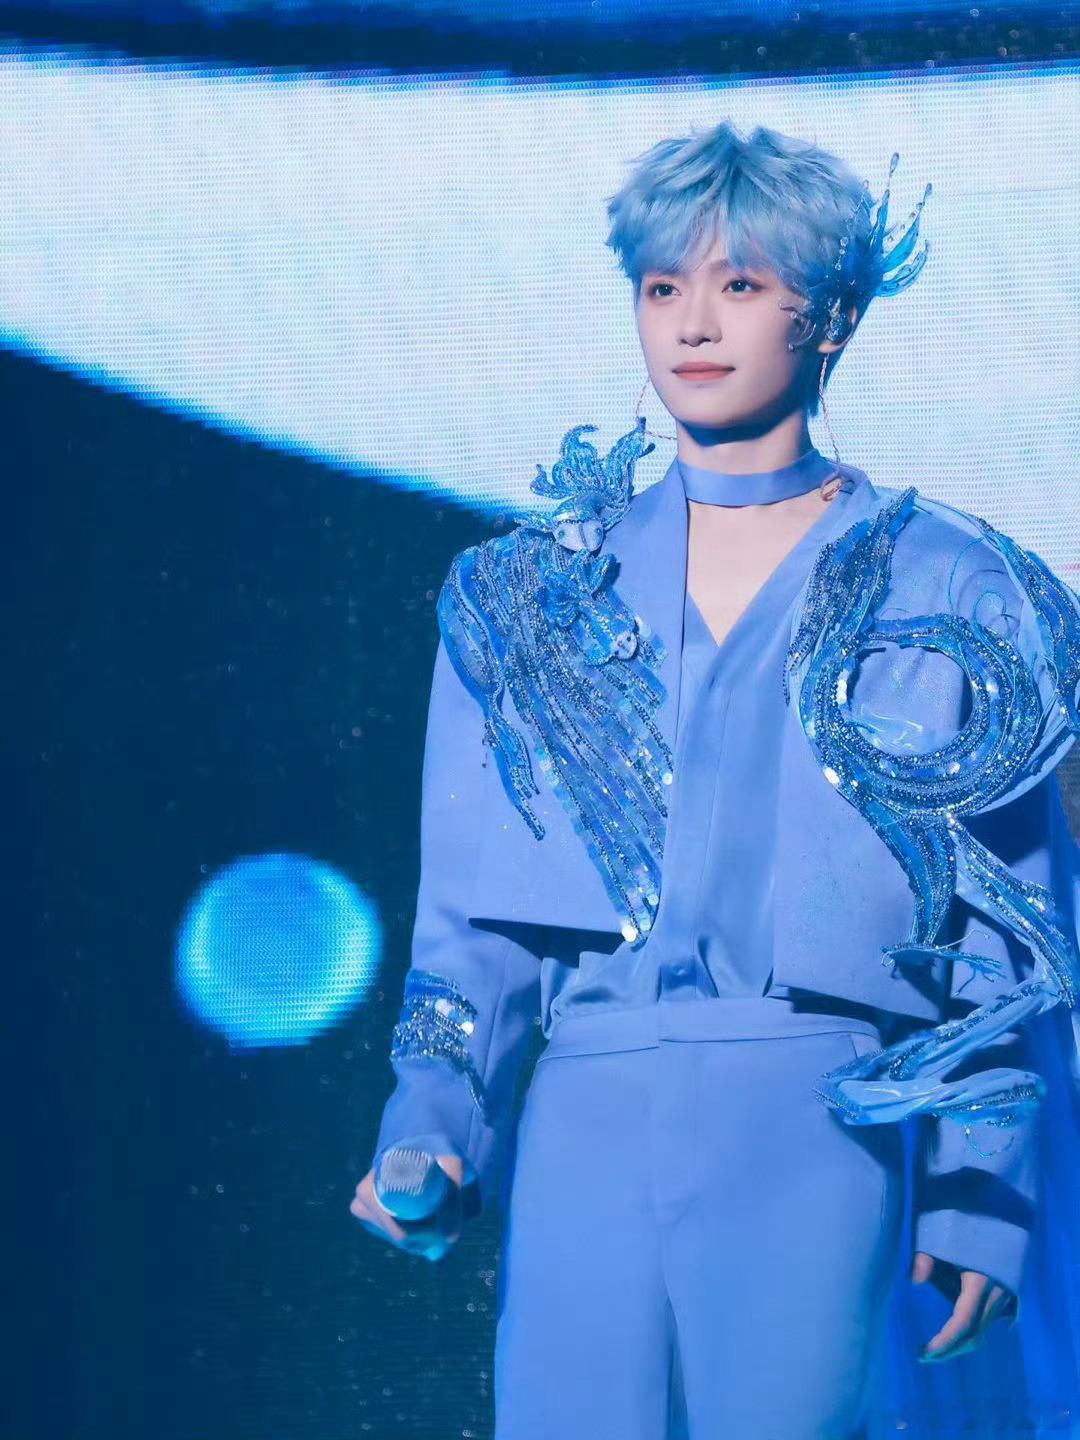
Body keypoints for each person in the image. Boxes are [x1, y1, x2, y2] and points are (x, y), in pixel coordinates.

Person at [350, 120, 1080, 1439]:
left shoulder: (954, 584)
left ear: (832, 315)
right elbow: (470, 926)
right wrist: (433, 1119)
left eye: (740, 284)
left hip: (822, 1119)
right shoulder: (532, 599)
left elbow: (1012, 933)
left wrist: (982, 1186)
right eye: (662, 286)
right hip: (584, 1114)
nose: (693, 323)